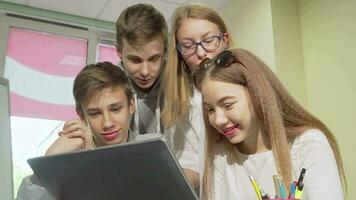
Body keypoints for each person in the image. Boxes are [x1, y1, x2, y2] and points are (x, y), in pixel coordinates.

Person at [194, 48, 347, 200]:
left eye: (228, 105)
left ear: (257, 95)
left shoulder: (308, 144)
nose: (218, 120)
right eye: (210, 110)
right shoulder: (221, 155)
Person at [16, 62, 135, 200]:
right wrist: (48, 162)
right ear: (82, 115)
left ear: (131, 105)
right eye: (95, 113)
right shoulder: (67, 164)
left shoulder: (156, 148)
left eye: (115, 109)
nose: (107, 123)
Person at [161, 4, 234, 189]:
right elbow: (191, 163)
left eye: (209, 40)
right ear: (179, 53)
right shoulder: (183, 103)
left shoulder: (251, 84)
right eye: (188, 46)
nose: (201, 53)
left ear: (225, 39)